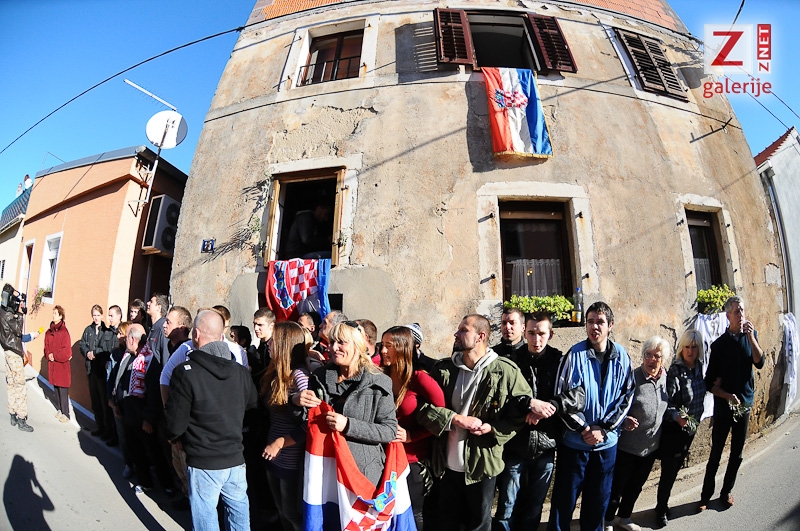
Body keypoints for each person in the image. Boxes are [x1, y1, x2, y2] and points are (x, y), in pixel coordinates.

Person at [417, 314, 532, 531]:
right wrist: (454, 419)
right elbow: (422, 408)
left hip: (483, 466)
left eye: (463, 330)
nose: (456, 334)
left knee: (479, 524)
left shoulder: (505, 371)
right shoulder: (444, 370)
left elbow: (520, 412)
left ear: (480, 336)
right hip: (445, 466)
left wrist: (493, 429)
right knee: (447, 523)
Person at [165, 310, 258, 531]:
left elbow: (175, 424)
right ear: (221, 336)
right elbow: (253, 409)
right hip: (235, 459)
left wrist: (175, 438)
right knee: (239, 521)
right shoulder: (241, 372)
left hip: (203, 460)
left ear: (196, 334)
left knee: (206, 522)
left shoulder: (185, 372)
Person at [550, 301, 635, 531]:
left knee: (597, 504)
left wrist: (604, 428)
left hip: (606, 446)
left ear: (610, 325)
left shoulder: (622, 357)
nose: (594, 327)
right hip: (575, 445)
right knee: (563, 504)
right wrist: (585, 429)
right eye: (590, 322)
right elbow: (561, 397)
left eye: (600, 322)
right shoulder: (574, 355)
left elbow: (627, 396)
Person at [295, 321, 397, 487]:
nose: (334, 348)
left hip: (361, 474)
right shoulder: (319, 376)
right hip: (324, 468)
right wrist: (296, 402)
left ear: (357, 345)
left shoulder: (379, 381)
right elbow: (305, 420)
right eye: (332, 342)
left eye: (342, 342)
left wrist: (349, 425)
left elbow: (389, 431)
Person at [495, 312, 568, 531]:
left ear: (551, 334)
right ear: (524, 333)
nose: (536, 339)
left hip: (546, 444)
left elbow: (573, 395)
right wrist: (528, 404)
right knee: (507, 505)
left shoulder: (560, 362)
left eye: (542, 334)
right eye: (532, 333)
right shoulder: (512, 361)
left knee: (535, 506)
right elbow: (503, 399)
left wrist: (547, 408)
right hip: (516, 444)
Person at [699, 296, 764, 511]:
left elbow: (760, 362)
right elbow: (709, 383)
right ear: (728, 316)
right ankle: (705, 496)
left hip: (744, 404)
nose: (741, 314)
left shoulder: (751, 337)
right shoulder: (719, 346)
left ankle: (726, 491)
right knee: (716, 452)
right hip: (724, 407)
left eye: (742, 310)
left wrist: (751, 338)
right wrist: (727, 396)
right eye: (736, 311)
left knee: (737, 453)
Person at [381, 326, 445, 530]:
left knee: (414, 514)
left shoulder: (420, 379)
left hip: (413, 461)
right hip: (383, 458)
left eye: (388, 346)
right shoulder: (380, 376)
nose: (382, 351)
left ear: (402, 348)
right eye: (382, 345)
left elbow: (442, 418)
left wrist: (411, 436)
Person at [604, 336, 670, 531]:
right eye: (647, 355)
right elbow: (615, 407)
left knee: (636, 486)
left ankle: (624, 517)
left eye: (657, 356)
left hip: (650, 447)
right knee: (617, 487)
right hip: (627, 447)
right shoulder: (632, 379)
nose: (651, 360)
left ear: (663, 359)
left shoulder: (665, 379)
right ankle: (607, 520)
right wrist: (624, 421)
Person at [261, 321, 311, 531]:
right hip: (273, 453)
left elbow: (311, 424)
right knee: (281, 510)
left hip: (290, 457)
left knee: (291, 513)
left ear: (284, 344)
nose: (269, 344)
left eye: (273, 341)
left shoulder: (299, 376)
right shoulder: (276, 372)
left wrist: (280, 443)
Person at [113, 324, 174, 494]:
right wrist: (117, 404)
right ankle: (145, 482)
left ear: (133, 339)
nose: (124, 341)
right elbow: (120, 382)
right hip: (129, 414)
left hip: (143, 417)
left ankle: (168, 486)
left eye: (126, 338)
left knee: (154, 451)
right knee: (137, 451)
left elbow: (154, 393)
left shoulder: (149, 361)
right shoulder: (128, 357)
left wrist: (148, 419)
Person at [656, 329, 706, 527]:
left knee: (675, 469)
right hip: (675, 430)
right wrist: (678, 417)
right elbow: (667, 403)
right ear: (681, 348)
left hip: (690, 429)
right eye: (686, 347)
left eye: (694, 347)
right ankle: (661, 509)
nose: (690, 351)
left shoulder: (699, 367)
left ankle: (663, 503)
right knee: (669, 471)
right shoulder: (676, 370)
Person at [3, 297, 40, 432]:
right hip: (14, 354)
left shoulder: (3, 313)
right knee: (19, 386)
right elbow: (18, 332)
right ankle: (21, 418)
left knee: (11, 384)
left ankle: (12, 413)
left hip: (7, 352)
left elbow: (15, 335)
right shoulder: (10, 317)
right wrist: (20, 314)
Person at [80, 305, 113, 436]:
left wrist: (95, 353)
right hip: (90, 370)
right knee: (95, 401)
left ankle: (107, 429)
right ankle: (99, 427)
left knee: (104, 402)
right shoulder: (88, 330)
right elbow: (82, 344)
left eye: (98, 315)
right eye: (94, 315)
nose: (96, 318)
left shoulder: (107, 331)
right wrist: (87, 352)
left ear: (102, 315)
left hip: (101, 372)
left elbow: (106, 349)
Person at [108, 321, 134, 477]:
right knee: (122, 436)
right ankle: (128, 464)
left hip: (130, 404)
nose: (118, 336)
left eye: (120, 333)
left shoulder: (136, 355)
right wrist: (110, 398)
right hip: (117, 401)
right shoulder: (116, 354)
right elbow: (110, 377)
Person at [46, 305, 72, 422]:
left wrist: (54, 355)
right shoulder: (49, 332)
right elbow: (46, 347)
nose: (53, 315)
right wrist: (48, 354)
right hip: (53, 365)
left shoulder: (64, 332)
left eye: (56, 313)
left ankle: (66, 413)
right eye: (53, 313)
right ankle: (60, 409)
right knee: (56, 388)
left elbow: (67, 351)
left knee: (62, 389)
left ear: (61, 316)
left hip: (61, 366)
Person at [146, 293, 170, 366]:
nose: (147, 303)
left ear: (159, 308)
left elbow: (165, 358)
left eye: (151, 302)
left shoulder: (162, 329)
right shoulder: (153, 328)